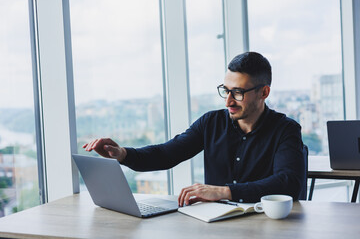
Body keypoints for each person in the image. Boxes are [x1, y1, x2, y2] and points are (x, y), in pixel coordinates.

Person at [83, 51, 306, 207]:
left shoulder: (286, 129)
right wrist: (122, 154)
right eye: (225, 90)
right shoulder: (211, 122)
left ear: (264, 92)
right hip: (216, 224)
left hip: (265, 225)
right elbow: (166, 154)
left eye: (238, 92)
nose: (228, 101)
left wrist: (223, 192)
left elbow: (288, 183)